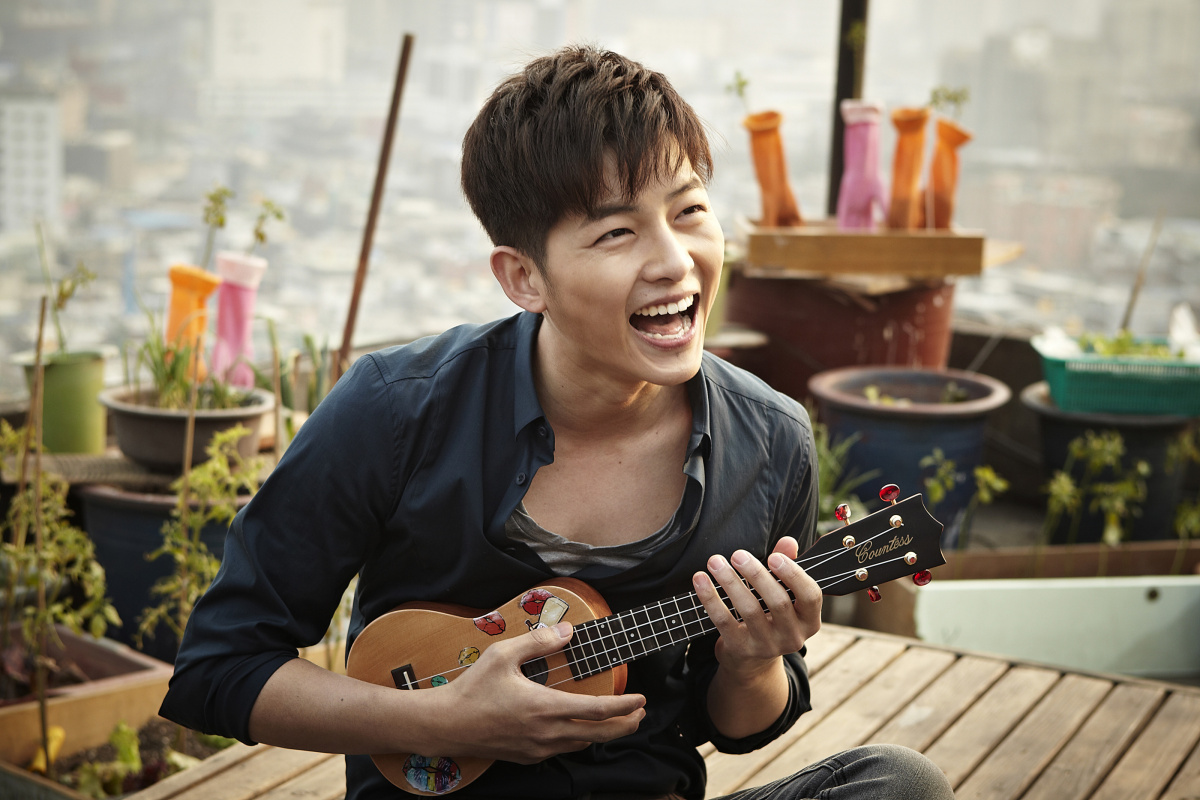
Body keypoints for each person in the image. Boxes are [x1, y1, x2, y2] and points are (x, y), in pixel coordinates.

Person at [160, 45, 955, 800]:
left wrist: (753, 662)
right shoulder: (395, 408)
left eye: (689, 211)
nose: (674, 260)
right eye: (616, 232)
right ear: (524, 277)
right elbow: (218, 670)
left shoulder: (772, 442)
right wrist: (444, 721)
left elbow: (739, 728)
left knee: (900, 781)